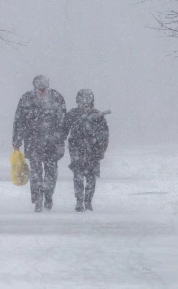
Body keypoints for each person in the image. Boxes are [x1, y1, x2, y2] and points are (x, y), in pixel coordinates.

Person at [13, 75, 66, 212]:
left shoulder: (57, 98)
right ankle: (37, 197)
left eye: (44, 89)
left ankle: (48, 194)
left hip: (52, 143)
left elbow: (63, 120)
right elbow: (19, 120)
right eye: (39, 89)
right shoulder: (26, 99)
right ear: (34, 88)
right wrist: (17, 140)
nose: (42, 92)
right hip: (33, 141)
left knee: (51, 173)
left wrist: (60, 138)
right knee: (35, 172)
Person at [64, 89, 109, 212]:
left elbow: (104, 135)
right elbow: (64, 130)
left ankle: (88, 201)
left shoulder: (98, 115)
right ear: (77, 100)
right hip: (76, 150)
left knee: (91, 177)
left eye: (87, 99)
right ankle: (79, 201)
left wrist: (101, 150)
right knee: (78, 176)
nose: (85, 102)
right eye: (82, 99)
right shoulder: (72, 114)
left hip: (93, 151)